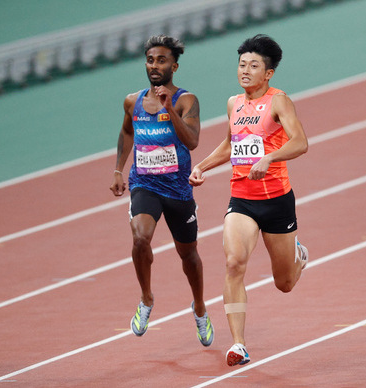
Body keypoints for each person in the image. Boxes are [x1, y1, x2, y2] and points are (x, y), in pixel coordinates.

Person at [188, 34, 309, 366]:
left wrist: (270, 159)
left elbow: (300, 142)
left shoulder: (279, 101)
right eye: (242, 64)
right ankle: (239, 344)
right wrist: (201, 165)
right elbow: (230, 146)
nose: (245, 71)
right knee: (233, 263)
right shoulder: (233, 104)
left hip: (277, 200)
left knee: (284, 283)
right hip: (241, 199)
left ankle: (298, 255)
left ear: (268, 73)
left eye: (253, 65)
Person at [109, 35, 214, 347]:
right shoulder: (133, 101)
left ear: (174, 66)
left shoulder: (186, 101)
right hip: (145, 183)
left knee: (188, 255)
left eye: (162, 60)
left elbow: (193, 141)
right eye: (151, 60)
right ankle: (146, 298)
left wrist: (169, 109)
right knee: (140, 237)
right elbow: (127, 131)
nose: (155, 66)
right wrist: (118, 168)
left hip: (178, 189)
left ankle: (199, 307)